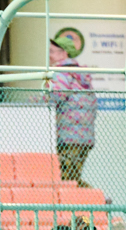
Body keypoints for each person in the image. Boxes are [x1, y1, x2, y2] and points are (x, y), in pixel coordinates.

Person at [45, 33, 96, 184]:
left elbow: (56, 95)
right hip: (84, 137)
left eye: (52, 51)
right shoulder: (80, 75)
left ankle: (99, 200)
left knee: (65, 179)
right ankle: (96, 201)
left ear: (63, 53)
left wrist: (36, 98)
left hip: (67, 136)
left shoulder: (61, 72)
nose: (49, 55)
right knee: (73, 177)